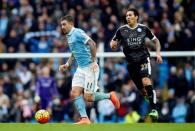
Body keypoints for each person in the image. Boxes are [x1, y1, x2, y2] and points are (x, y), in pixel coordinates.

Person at [59, 15, 120, 124]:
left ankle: (110, 95)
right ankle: (84, 118)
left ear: (71, 24)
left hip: (90, 67)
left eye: (64, 24)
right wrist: (68, 64)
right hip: (80, 68)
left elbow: (92, 43)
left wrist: (94, 61)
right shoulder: (69, 36)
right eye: (61, 25)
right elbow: (74, 51)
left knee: (88, 97)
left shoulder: (77, 32)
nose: (62, 27)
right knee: (75, 92)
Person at [110, 8, 163, 120]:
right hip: (131, 64)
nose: (127, 17)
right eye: (126, 16)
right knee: (143, 91)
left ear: (136, 16)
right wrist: (113, 45)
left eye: (130, 15)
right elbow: (113, 42)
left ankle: (154, 109)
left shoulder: (143, 29)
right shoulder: (121, 30)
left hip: (143, 59)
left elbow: (156, 40)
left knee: (146, 81)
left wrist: (158, 54)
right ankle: (150, 97)